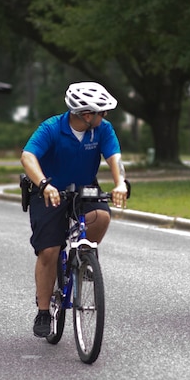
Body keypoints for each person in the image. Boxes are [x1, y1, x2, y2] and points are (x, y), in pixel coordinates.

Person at [21, 82, 128, 338]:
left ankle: (84, 258)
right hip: (49, 190)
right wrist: (44, 184)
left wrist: (121, 183)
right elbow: (28, 157)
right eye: (102, 113)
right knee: (49, 251)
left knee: (101, 217)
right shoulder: (51, 128)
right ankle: (44, 311)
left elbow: (115, 158)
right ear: (87, 115)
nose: (105, 117)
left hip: (84, 188)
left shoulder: (102, 130)